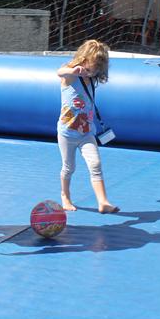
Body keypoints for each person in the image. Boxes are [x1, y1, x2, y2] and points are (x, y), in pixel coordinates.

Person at [56, 39, 119, 214]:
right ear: (84, 59)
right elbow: (59, 72)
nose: (96, 70)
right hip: (67, 133)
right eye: (94, 64)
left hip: (87, 133)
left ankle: (103, 202)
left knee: (96, 164)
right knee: (69, 167)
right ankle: (65, 196)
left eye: (99, 67)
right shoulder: (71, 77)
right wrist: (72, 70)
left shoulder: (92, 80)